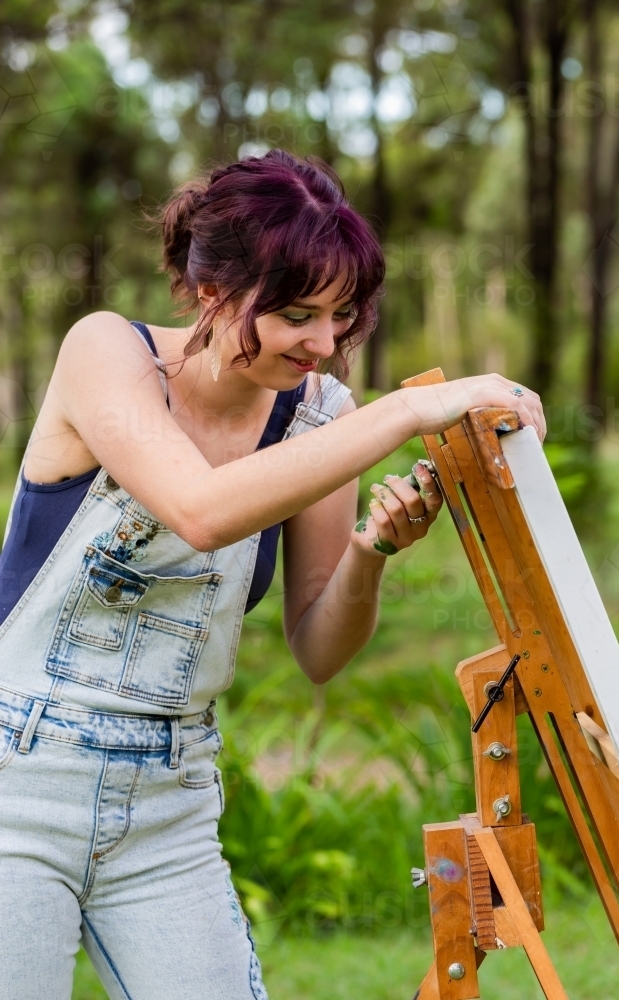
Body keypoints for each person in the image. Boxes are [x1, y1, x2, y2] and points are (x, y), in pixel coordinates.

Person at [0, 149, 545, 1000]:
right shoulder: (106, 353)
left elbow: (319, 650)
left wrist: (369, 552)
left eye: (342, 316)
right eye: (297, 315)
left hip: (171, 797)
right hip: (21, 779)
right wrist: (410, 408)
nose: (324, 346)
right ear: (213, 290)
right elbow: (201, 509)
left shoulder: (319, 415)